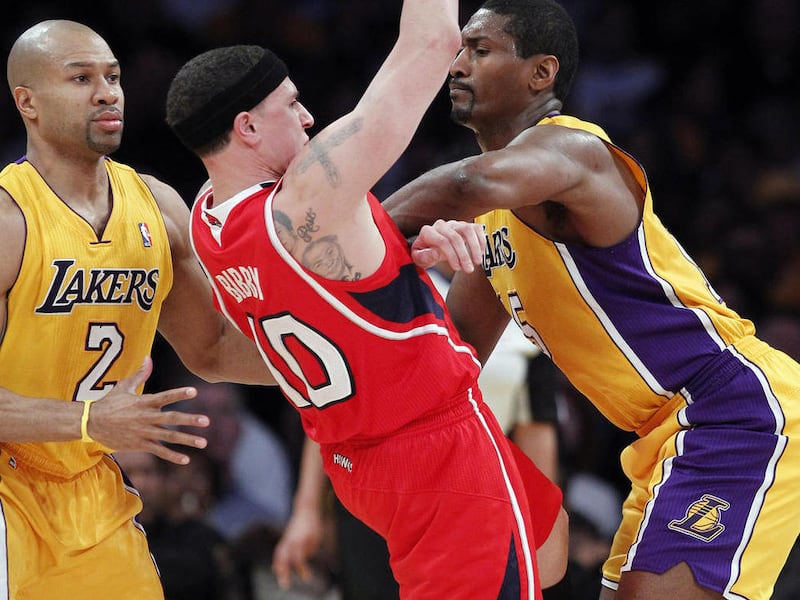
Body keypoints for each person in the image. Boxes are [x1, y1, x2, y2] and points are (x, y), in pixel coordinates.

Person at [380, 0, 800, 599]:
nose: (458, 65)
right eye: (458, 50)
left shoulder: (575, 150)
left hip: (734, 407)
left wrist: (333, 235)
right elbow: (450, 358)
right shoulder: (495, 218)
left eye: (480, 50)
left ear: (541, 73)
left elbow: (467, 181)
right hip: (661, 439)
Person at [164, 0, 568, 597]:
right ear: (247, 127)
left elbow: (300, 312)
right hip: (436, 450)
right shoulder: (307, 196)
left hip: (358, 464)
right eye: (290, 105)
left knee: (548, 549)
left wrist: (402, 253)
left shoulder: (208, 221)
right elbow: (432, 41)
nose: (307, 119)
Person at [0, 19, 276, 599]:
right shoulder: (8, 221)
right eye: (81, 78)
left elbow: (213, 348)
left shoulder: (155, 205)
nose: (107, 92)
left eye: (114, 77)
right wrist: (88, 420)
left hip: (91, 489)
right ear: (27, 102)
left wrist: (351, 361)